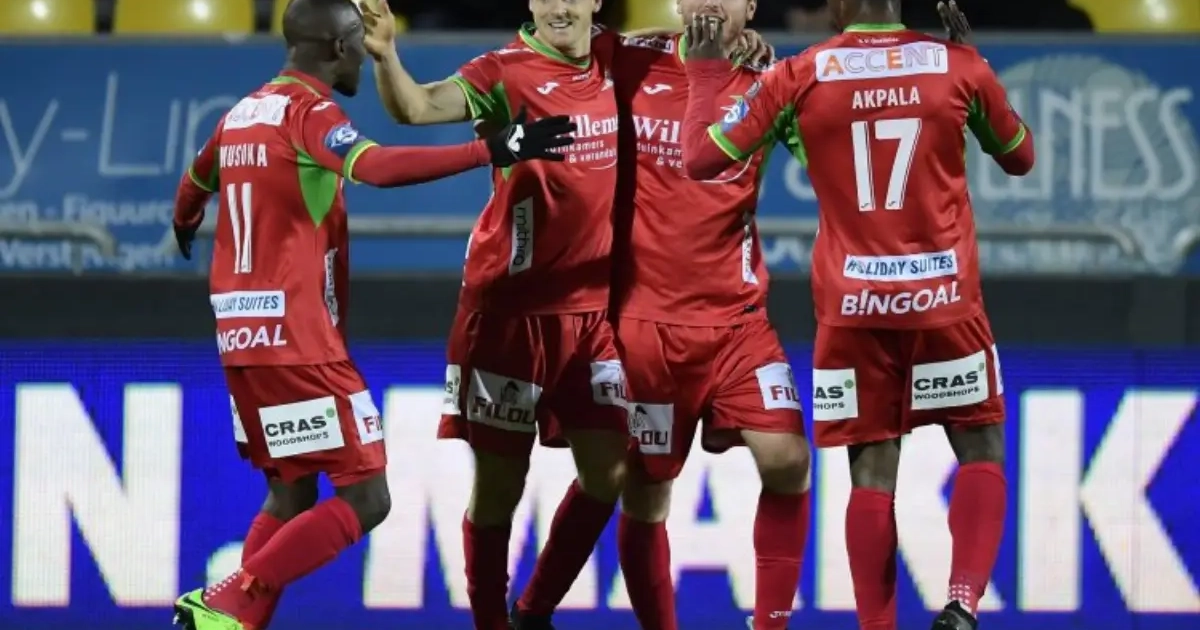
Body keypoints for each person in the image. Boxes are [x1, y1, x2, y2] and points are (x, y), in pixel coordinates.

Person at [167, 1, 575, 629]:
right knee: (367, 497)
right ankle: (226, 600)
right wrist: (490, 149)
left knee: (290, 492)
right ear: (337, 48)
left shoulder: (241, 114)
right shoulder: (309, 113)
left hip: (241, 340)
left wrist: (186, 220)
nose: (363, 53)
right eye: (358, 42)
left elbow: (194, 183)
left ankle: (237, 621)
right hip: (300, 343)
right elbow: (376, 167)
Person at [678, 1, 1035, 629]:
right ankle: (962, 601)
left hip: (853, 310)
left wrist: (706, 73)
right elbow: (1020, 155)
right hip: (944, 303)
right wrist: (974, 62)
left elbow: (703, 160)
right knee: (981, 447)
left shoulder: (799, 73)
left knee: (871, 476)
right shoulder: (956, 65)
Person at [363, 2, 630, 629]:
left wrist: (739, 39)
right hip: (511, 316)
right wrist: (386, 56)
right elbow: (417, 108)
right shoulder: (502, 72)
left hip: (593, 316)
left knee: (610, 473)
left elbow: (680, 46)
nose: (559, 6)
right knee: (501, 490)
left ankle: (532, 614)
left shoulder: (618, 56)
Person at [579, 1, 813, 629]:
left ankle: (771, 624)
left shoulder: (771, 81)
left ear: (752, 5)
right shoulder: (630, 60)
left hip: (739, 322)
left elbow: (830, 163)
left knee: (788, 459)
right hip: (645, 323)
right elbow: (562, 34)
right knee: (647, 493)